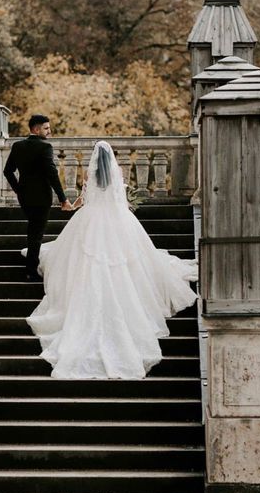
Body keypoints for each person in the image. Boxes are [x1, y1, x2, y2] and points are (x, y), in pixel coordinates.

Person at [23, 140, 198, 379]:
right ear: (111, 158)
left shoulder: (89, 172)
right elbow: (121, 200)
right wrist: (125, 210)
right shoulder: (117, 172)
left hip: (91, 219)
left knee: (82, 256)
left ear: (95, 158)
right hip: (118, 219)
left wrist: (71, 205)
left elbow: (85, 197)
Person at [3, 114, 73, 281]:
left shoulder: (18, 146)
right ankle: (31, 271)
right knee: (36, 234)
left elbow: (8, 171)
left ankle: (31, 268)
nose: (49, 131)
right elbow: (52, 174)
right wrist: (63, 199)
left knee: (33, 231)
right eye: (46, 128)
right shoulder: (45, 147)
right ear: (36, 129)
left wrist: (19, 190)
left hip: (25, 197)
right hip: (41, 197)